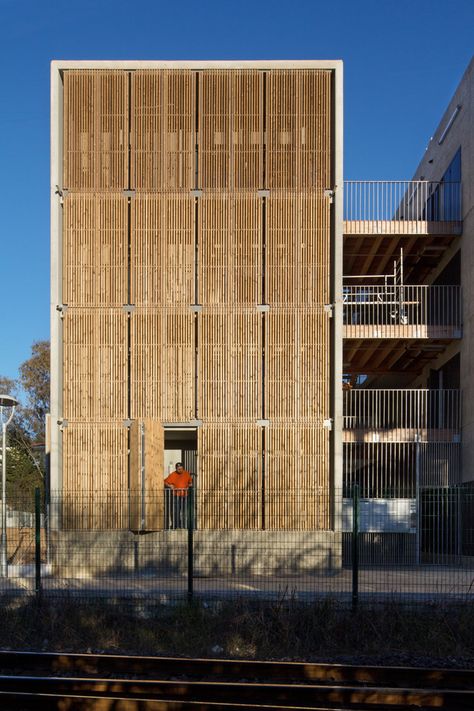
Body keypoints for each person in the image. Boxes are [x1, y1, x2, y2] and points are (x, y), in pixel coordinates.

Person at [164, 462, 193, 529]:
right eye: (178, 469)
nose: (180, 470)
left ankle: (184, 526)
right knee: (176, 511)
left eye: (181, 469)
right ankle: (176, 526)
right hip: (176, 496)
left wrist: (189, 486)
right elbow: (165, 481)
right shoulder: (172, 475)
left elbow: (190, 482)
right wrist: (169, 485)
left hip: (185, 496)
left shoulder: (186, 474)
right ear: (176, 468)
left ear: (183, 468)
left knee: (184, 512)